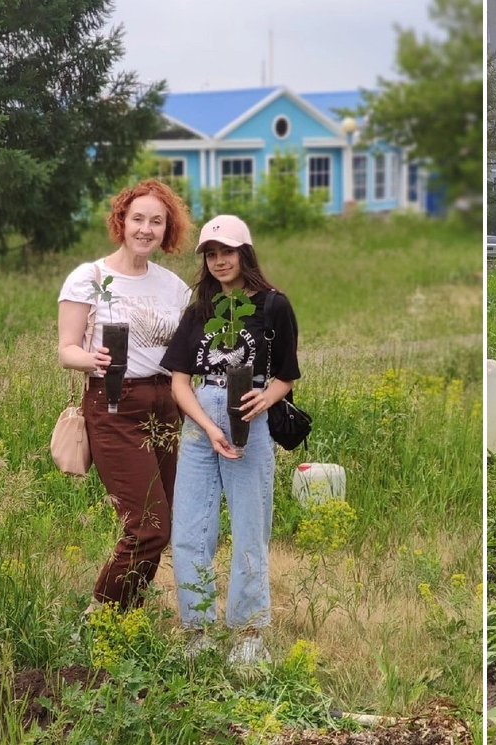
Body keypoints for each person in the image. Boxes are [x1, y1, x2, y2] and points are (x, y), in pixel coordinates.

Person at [161, 214, 300, 664]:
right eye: (212, 255)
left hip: (250, 418)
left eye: (228, 252)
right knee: (190, 529)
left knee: (248, 526)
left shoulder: (273, 305)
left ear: (245, 253)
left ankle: (248, 632)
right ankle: (197, 629)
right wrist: (207, 425)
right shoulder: (198, 310)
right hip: (202, 420)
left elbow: (286, 375)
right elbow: (180, 380)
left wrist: (263, 399)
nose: (220, 261)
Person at [57, 179, 193, 610]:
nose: (146, 229)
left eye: (157, 221)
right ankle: (99, 620)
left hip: (166, 406)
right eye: (138, 218)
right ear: (121, 220)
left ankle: (126, 617)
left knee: (162, 524)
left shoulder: (173, 287)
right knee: (147, 525)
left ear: (167, 228)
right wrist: (91, 359)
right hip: (113, 404)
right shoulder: (90, 278)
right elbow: (66, 350)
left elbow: (189, 353)